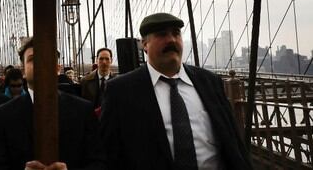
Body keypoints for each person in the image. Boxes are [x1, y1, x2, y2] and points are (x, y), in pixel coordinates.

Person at [100, 12, 252, 169]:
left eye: (176, 33)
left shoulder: (210, 82)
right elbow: (108, 153)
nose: (171, 40)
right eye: (162, 34)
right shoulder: (120, 91)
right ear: (144, 44)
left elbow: (234, 142)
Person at [0, 37, 106, 170]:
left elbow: (98, 162)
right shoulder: (3, 114)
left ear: (57, 68)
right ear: (23, 71)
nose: (40, 62)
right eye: (32, 59)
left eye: (46, 57)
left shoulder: (83, 110)